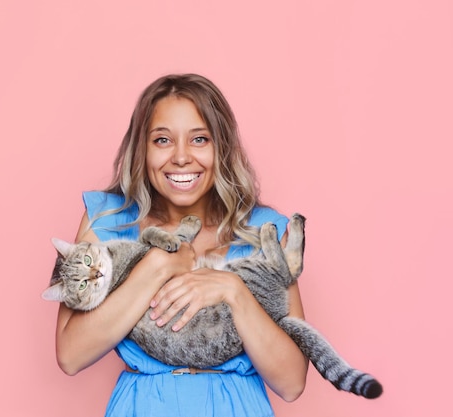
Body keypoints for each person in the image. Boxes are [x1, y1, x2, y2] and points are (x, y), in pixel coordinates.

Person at [53, 73, 308, 416]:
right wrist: (155, 268)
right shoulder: (107, 220)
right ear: (141, 149)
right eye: (162, 141)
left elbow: (292, 382)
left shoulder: (262, 230)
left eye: (200, 139)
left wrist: (234, 291)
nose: (182, 157)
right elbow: (70, 355)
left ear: (223, 147)